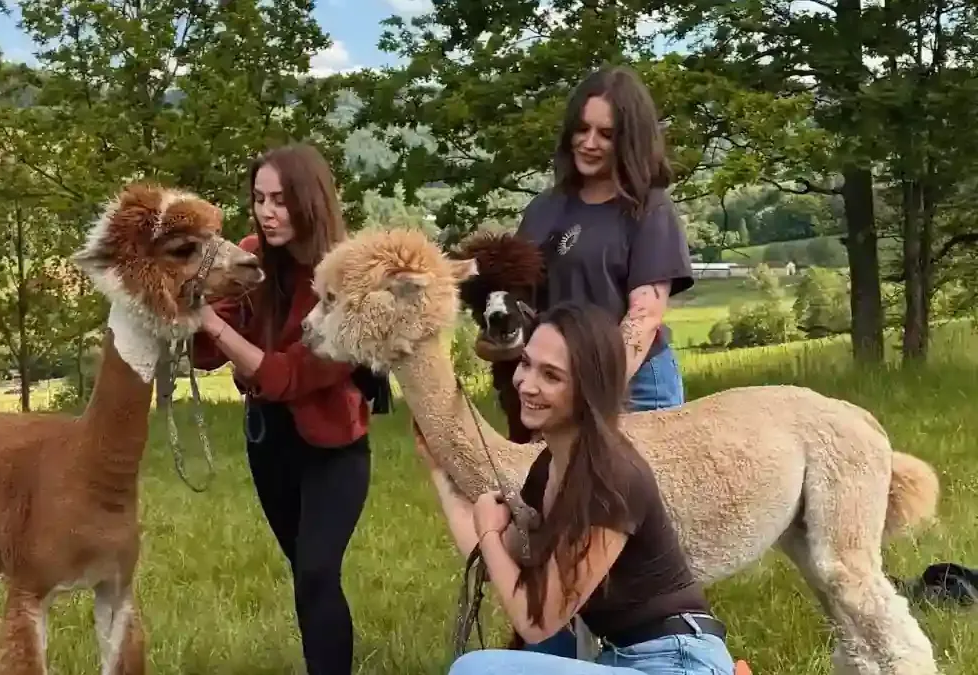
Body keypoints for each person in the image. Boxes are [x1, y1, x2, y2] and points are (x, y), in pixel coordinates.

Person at [414, 301, 738, 675]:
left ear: (588, 388)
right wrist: (441, 474)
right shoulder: (550, 468)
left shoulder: (610, 479)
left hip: (680, 663)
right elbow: (496, 563)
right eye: (525, 364)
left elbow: (537, 622)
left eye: (551, 376)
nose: (527, 384)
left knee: (476, 670)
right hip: (621, 660)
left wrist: (488, 528)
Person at [191, 142, 382, 675]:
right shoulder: (251, 256)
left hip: (334, 449)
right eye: (259, 198)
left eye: (281, 199)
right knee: (305, 574)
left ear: (310, 202)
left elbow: (289, 375)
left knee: (319, 571)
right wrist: (188, 301)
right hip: (268, 442)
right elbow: (205, 354)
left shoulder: (350, 279)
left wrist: (210, 324)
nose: (267, 211)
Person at [514, 64, 694, 414]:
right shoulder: (543, 208)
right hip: (555, 385)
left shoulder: (649, 209)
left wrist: (591, 393)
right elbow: (521, 302)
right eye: (581, 129)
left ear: (630, 141)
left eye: (606, 134)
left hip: (636, 386)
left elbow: (643, 318)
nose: (589, 143)